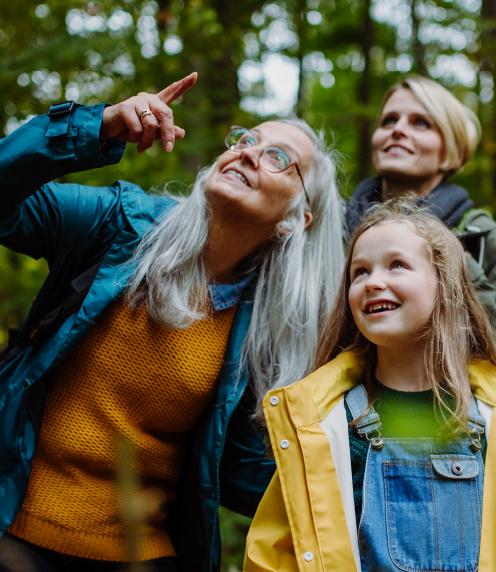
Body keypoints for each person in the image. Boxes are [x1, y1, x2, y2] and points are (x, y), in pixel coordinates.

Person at [0, 73, 345, 572]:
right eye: (247, 139)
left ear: (295, 219)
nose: (247, 152)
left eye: (277, 157)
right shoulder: (120, 226)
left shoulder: (267, 329)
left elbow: (248, 472)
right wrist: (95, 127)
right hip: (17, 530)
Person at [244, 199, 496, 571]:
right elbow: (273, 556)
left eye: (397, 265)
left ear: (445, 284)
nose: (374, 282)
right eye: (360, 272)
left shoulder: (489, 414)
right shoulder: (321, 423)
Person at [346, 75, 496, 326]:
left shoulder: (481, 237)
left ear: (452, 152)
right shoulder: (334, 226)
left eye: (421, 123)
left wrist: (464, 270)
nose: (397, 130)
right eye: (389, 121)